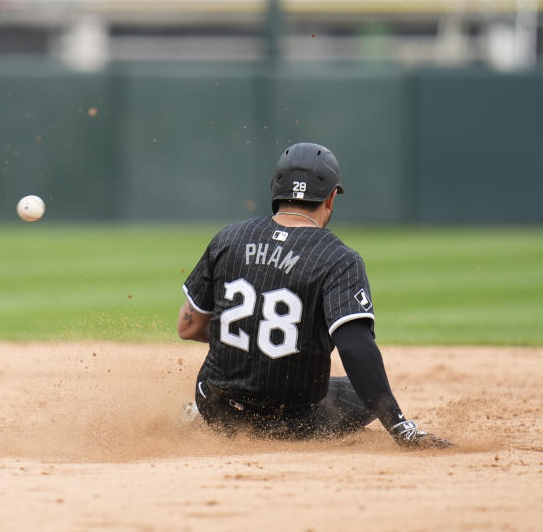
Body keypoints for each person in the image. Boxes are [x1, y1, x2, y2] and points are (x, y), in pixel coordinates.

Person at [177, 142, 451, 449]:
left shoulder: (228, 238)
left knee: (228, 386)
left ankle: (197, 417)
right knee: (366, 390)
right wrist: (399, 427)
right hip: (291, 420)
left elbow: (188, 327)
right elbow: (357, 350)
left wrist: (249, 342)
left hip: (216, 407)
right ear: (331, 198)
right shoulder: (337, 258)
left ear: (275, 190)